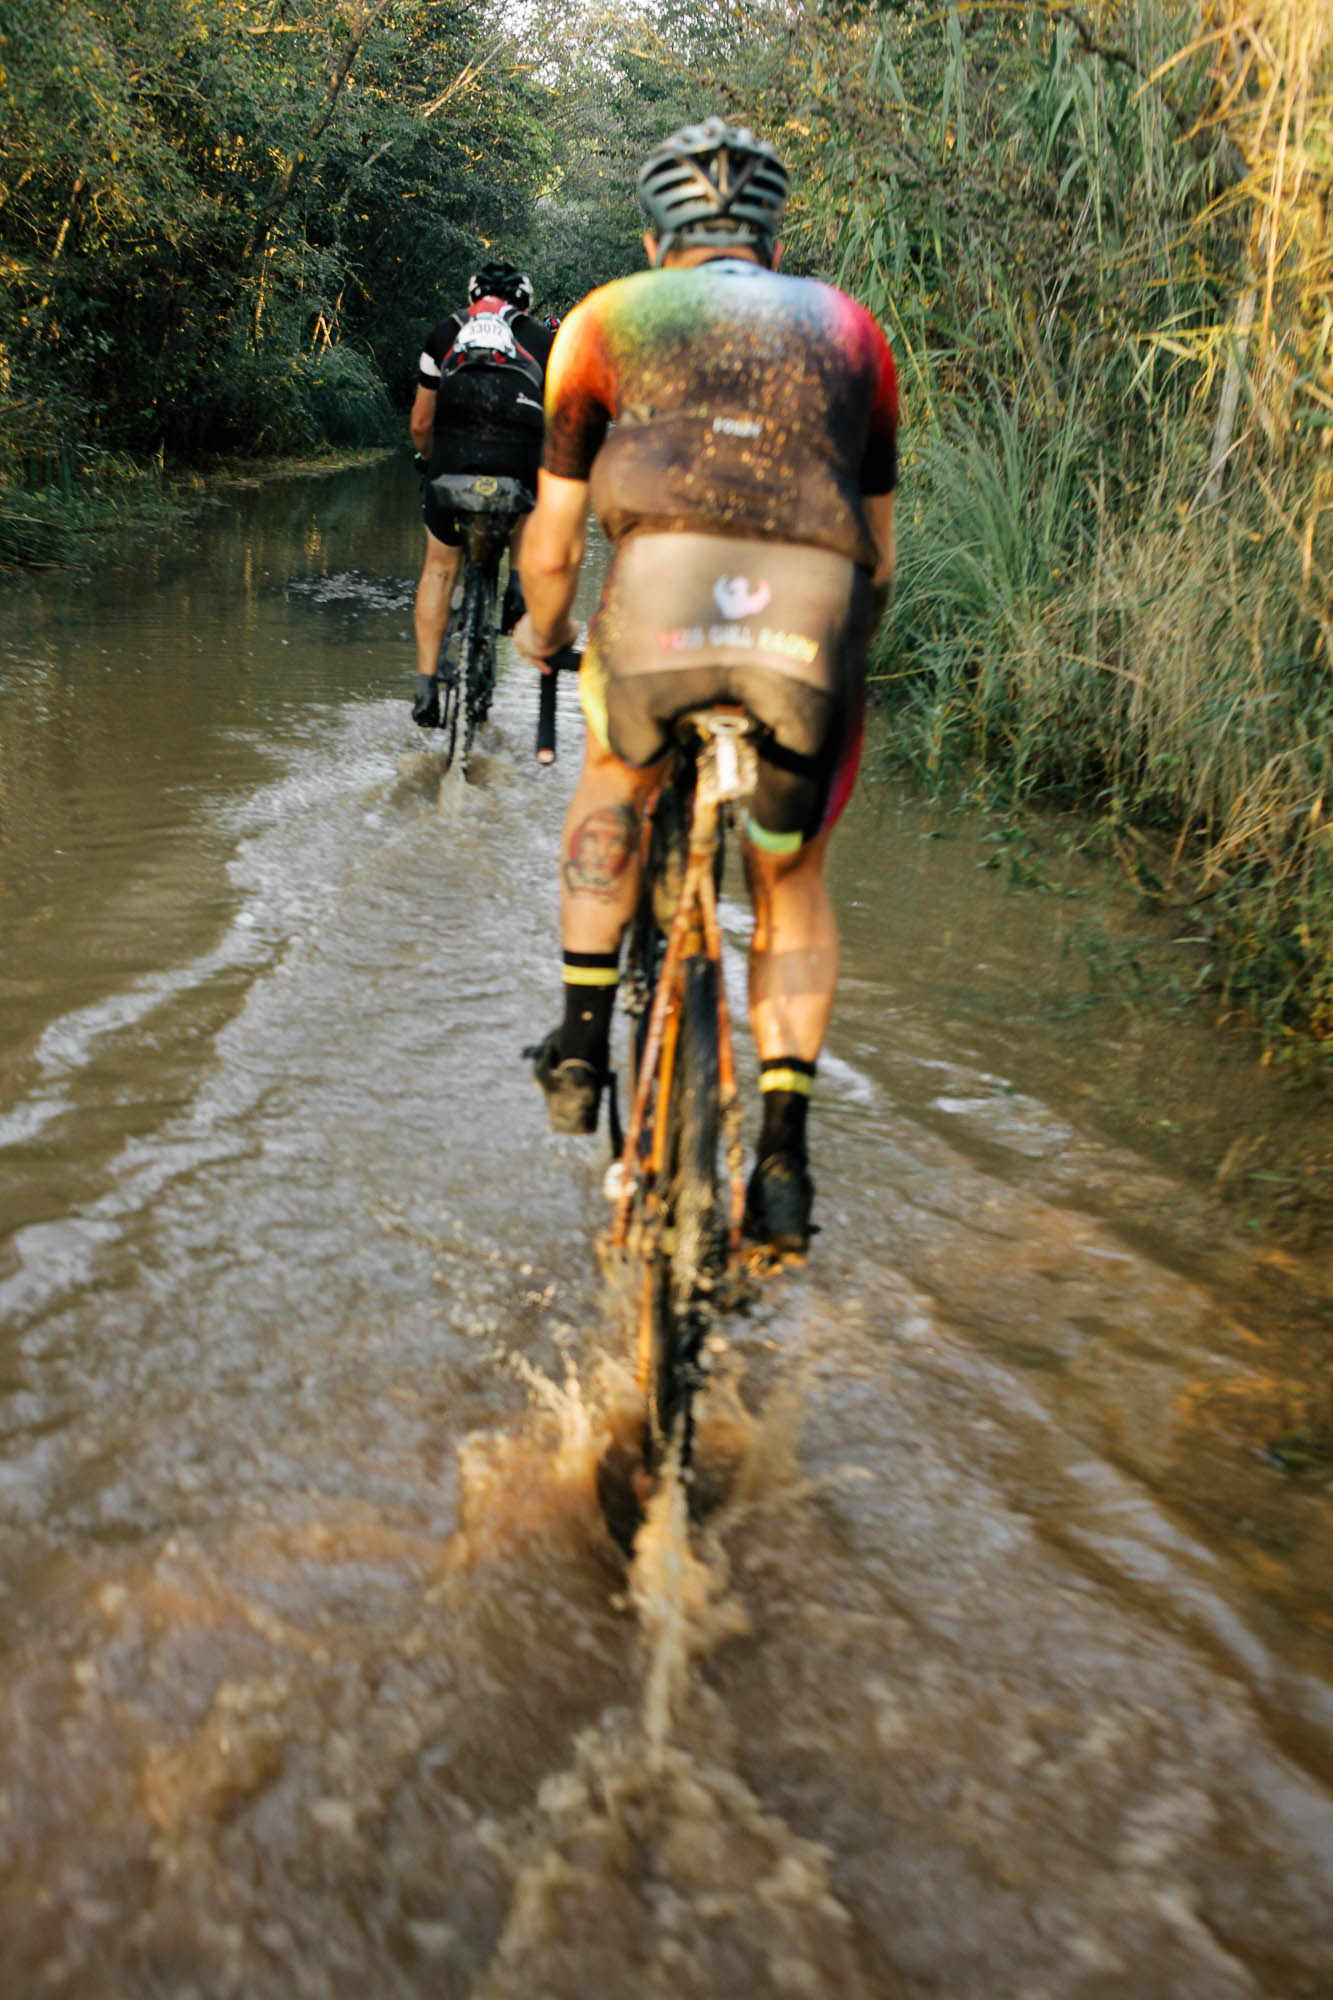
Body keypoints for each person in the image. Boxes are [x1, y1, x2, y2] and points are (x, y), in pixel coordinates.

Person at [512, 118, 898, 1255]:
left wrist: (549, 635)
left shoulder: (603, 319)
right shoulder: (852, 331)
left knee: (613, 778)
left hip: (658, 610)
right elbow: (878, 560)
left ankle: (582, 1041)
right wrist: (836, 671)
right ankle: (780, 1153)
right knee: (789, 877)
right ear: (773, 239)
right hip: (806, 626)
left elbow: (552, 547)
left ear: (653, 236)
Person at [408, 260, 556, 727]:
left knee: (438, 568)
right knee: (537, 483)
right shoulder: (543, 341)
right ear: (525, 303)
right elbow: (559, 425)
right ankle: (518, 583)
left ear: (472, 298)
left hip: (452, 457)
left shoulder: (443, 333)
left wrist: (427, 461)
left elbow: (421, 423)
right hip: (518, 457)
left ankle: (425, 687)